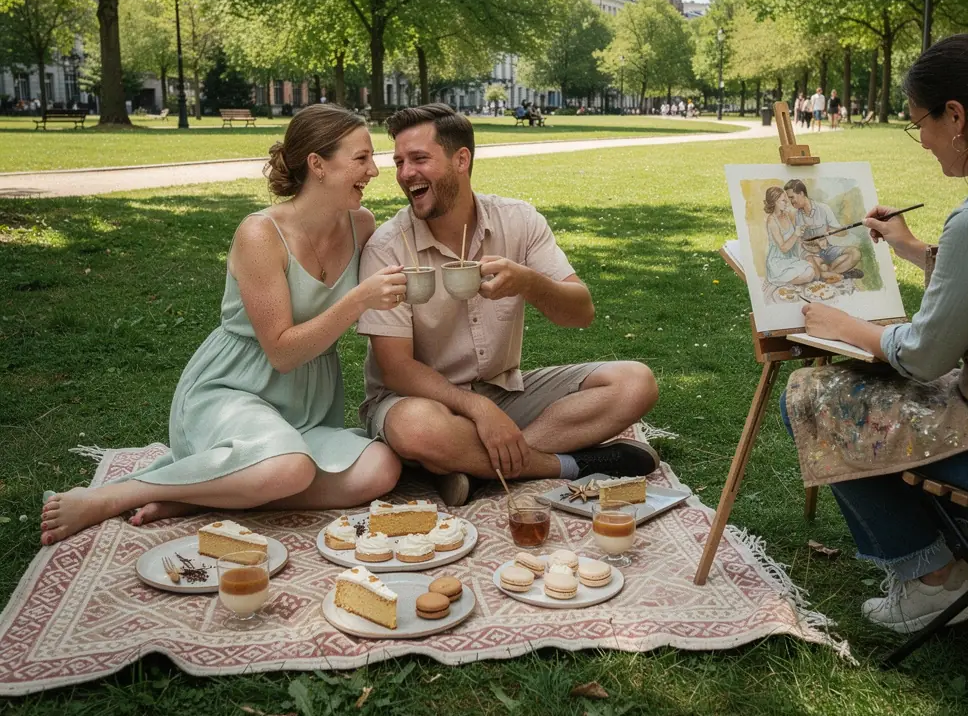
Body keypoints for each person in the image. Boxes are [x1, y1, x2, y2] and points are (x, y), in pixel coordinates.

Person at [40, 105, 407, 545]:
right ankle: (116, 495)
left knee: (380, 469)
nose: (374, 171)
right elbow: (282, 351)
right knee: (289, 466)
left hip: (308, 404)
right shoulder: (260, 234)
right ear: (318, 164)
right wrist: (358, 300)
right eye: (361, 158)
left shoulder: (361, 224)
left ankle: (205, 495)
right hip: (235, 389)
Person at [781, 33, 968, 633]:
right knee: (894, 398)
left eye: (919, 124)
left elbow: (919, 356)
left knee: (813, 400)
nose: (923, 141)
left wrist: (849, 327)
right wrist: (914, 249)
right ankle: (964, 559)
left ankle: (931, 581)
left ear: (957, 117)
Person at [356, 104, 661, 507]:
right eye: (398, 162)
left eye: (419, 159)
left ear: (461, 159)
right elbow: (396, 369)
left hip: (503, 391)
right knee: (417, 428)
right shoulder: (387, 246)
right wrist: (477, 409)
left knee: (635, 382)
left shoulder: (518, 220)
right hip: (418, 402)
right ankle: (568, 464)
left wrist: (528, 282)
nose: (405, 173)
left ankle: (473, 468)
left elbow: (580, 312)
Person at [784, 179, 862, 277]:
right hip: (810, 254)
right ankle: (840, 274)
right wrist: (814, 242)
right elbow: (798, 242)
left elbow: (843, 233)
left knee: (855, 254)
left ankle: (828, 273)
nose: (791, 202)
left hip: (827, 249)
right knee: (815, 271)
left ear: (801, 193)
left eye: (792, 197)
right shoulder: (796, 215)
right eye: (789, 198)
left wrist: (831, 232)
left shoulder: (824, 209)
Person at [763, 187, 817, 287]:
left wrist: (802, 235)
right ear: (775, 202)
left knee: (811, 269)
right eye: (783, 201)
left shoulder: (786, 215)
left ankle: (787, 280)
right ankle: (781, 281)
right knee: (809, 273)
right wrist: (796, 234)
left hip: (790, 259)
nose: (787, 203)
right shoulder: (772, 220)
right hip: (778, 263)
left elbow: (794, 240)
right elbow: (783, 248)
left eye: (786, 200)